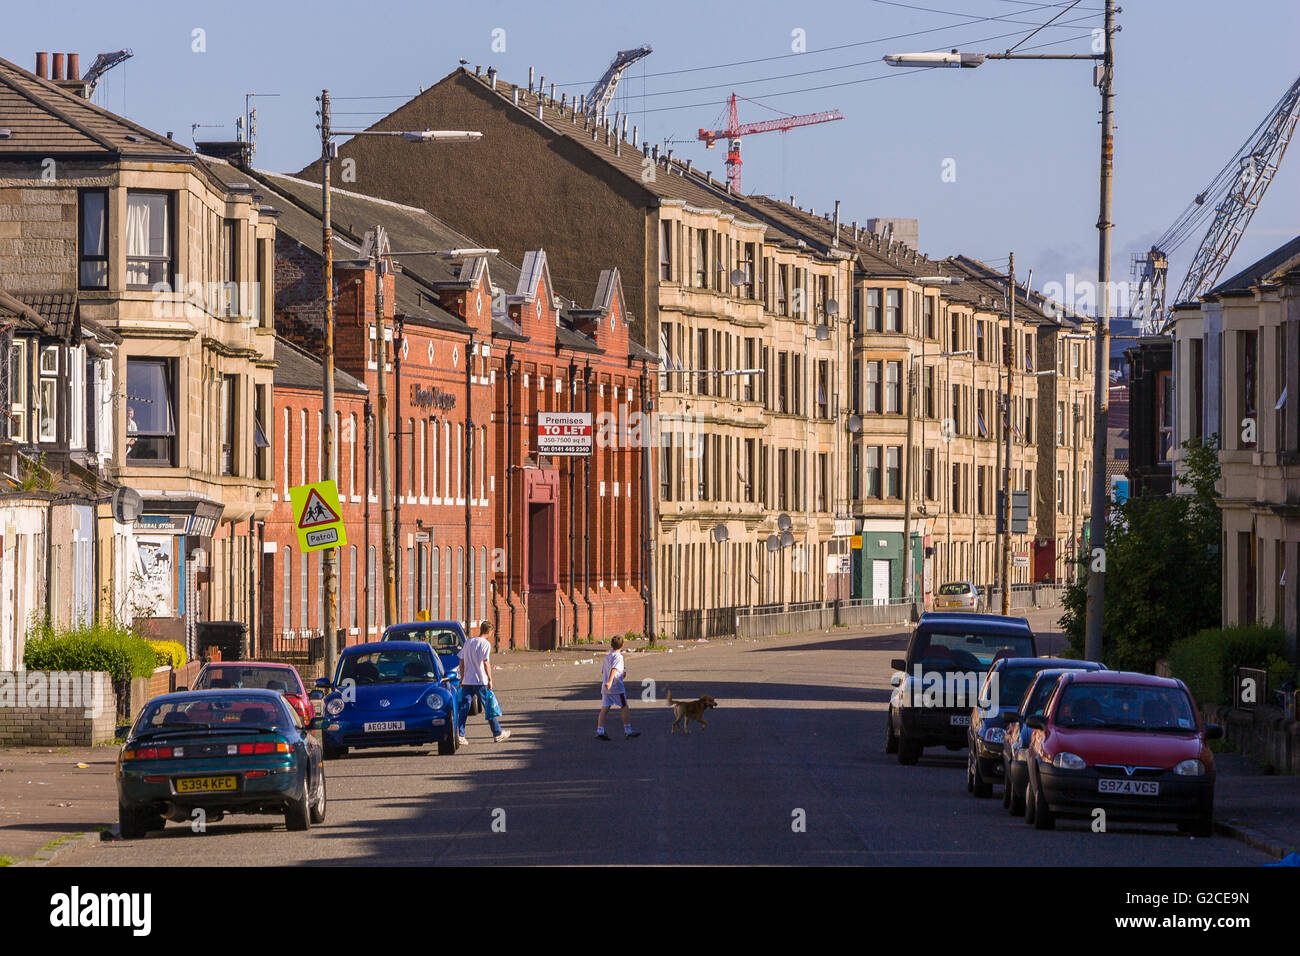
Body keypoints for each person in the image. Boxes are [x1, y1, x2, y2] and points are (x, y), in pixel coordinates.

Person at [457, 621, 509, 744]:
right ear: (490, 631)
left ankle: (460, 735)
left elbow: (461, 660)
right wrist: (490, 679)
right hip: (480, 681)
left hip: (467, 681)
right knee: (489, 707)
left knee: (464, 708)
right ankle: (497, 733)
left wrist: (462, 677)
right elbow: (486, 662)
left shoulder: (468, 642)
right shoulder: (485, 644)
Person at [596, 635, 639, 741]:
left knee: (604, 709)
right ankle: (627, 730)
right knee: (624, 706)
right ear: (623, 645)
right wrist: (610, 682)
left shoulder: (607, 657)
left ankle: (600, 730)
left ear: (611, 645)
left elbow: (603, 671)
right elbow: (614, 669)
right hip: (616, 687)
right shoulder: (618, 657)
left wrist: (610, 680)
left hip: (605, 688)